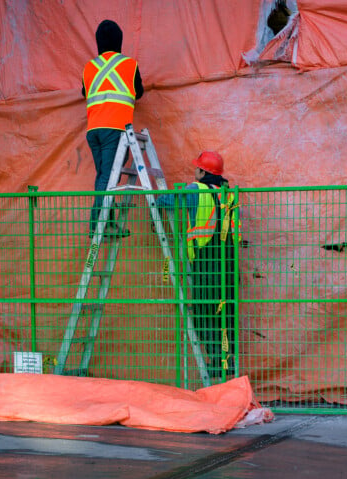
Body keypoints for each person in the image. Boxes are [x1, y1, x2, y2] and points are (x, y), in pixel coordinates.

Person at [158, 151, 238, 380]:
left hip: (206, 264)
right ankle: (227, 359)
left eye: (197, 168)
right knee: (226, 313)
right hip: (230, 263)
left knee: (204, 313)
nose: (195, 171)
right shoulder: (229, 194)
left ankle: (217, 361)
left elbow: (165, 200)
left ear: (203, 172)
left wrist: (156, 196)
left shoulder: (196, 190)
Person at [82, 20, 144, 237]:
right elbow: (139, 92)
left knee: (104, 177)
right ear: (119, 41)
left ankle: (105, 223)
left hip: (94, 130)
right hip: (115, 128)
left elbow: (85, 92)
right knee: (108, 179)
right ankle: (98, 226)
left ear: (98, 42)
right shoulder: (129, 65)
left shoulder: (89, 67)